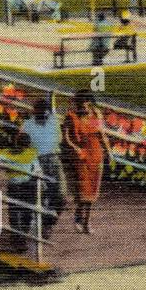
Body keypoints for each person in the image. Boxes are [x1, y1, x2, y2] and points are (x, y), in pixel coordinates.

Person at [62, 89, 109, 234]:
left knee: (93, 191)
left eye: (85, 103)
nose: (82, 106)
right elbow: (66, 138)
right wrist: (75, 148)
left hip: (95, 155)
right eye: (80, 103)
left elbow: (101, 134)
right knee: (83, 189)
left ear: (89, 103)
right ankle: (79, 215)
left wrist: (108, 151)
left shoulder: (96, 115)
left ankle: (87, 222)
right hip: (81, 156)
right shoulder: (71, 117)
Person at [20, 97, 65, 238]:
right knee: (32, 196)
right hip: (34, 161)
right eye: (41, 113)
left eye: (46, 113)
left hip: (53, 160)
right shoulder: (27, 124)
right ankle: (23, 231)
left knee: (61, 196)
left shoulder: (53, 122)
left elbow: (60, 139)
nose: (44, 116)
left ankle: (48, 224)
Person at [0, 129, 41, 247]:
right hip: (19, 186)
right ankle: (18, 238)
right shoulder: (19, 153)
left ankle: (20, 236)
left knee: (23, 212)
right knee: (18, 212)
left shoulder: (25, 153)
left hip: (25, 186)